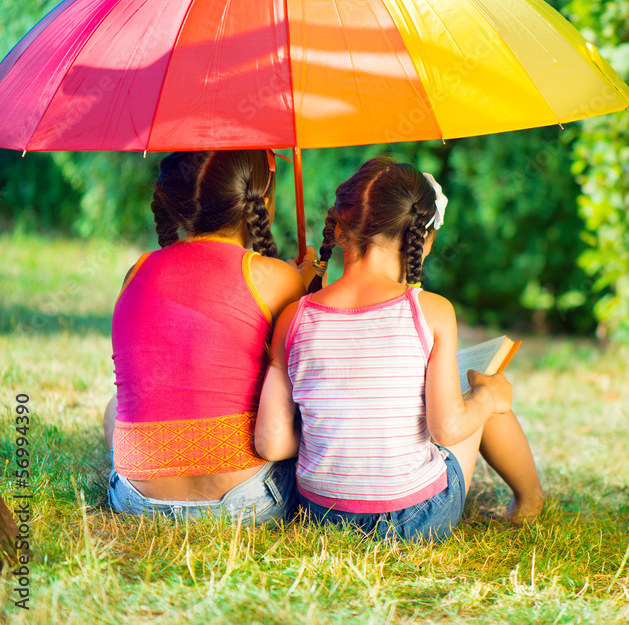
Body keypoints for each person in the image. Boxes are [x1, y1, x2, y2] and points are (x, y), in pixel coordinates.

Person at [254, 156, 544, 541]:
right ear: (422, 240)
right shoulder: (433, 311)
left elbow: (271, 442)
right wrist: (489, 398)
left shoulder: (294, 317)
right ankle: (529, 500)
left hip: (322, 517)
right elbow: (447, 428)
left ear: (337, 228)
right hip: (415, 520)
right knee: (479, 393)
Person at [105, 149, 316, 525]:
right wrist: (310, 286)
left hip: (135, 501)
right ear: (262, 201)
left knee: (114, 406)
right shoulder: (277, 279)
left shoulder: (135, 271)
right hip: (244, 502)